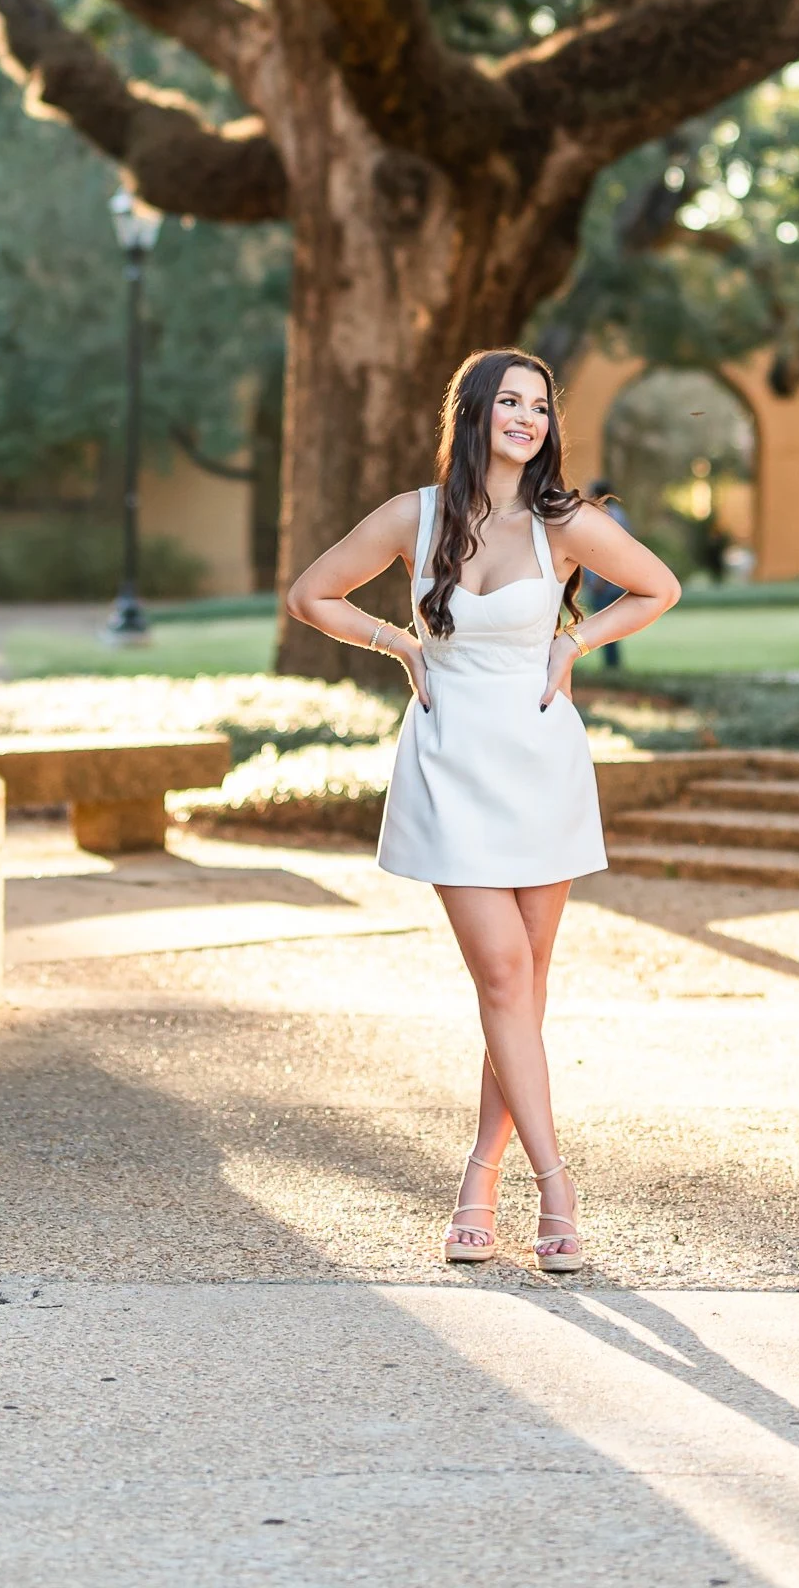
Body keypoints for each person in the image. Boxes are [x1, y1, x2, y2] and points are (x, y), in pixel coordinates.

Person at [287, 347, 679, 1274]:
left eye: (539, 406)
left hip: (541, 760)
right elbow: (310, 596)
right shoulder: (410, 518)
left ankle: (478, 1179)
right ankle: (557, 1186)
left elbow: (659, 588)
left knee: (522, 993)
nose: (527, 419)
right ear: (473, 413)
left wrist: (573, 642)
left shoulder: (566, 522)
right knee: (503, 978)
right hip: (450, 758)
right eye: (510, 401)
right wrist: (400, 646)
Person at [580, 478, 630, 669]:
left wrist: (600, 580)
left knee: (605, 626)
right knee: (608, 626)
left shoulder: (609, 516)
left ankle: (612, 665)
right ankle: (612, 664)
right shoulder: (618, 514)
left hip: (606, 584)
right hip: (608, 582)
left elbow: (611, 551)